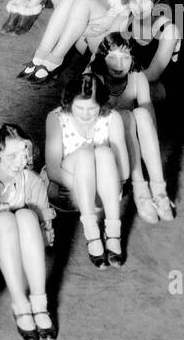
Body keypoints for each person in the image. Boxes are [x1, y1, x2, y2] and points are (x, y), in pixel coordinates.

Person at [0, 124, 57, 340]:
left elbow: (46, 234)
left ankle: (38, 300)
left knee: (26, 216)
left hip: (26, 252)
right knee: (5, 219)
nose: (20, 162)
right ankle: (20, 302)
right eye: (12, 156)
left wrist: (42, 232)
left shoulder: (31, 181)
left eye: (24, 154)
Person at [44, 72, 130, 267]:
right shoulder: (56, 118)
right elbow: (53, 170)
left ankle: (114, 232)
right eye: (79, 108)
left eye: (92, 108)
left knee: (105, 153)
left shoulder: (112, 117)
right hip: (67, 192)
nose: (85, 114)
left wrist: (95, 186)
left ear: (101, 104)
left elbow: (123, 172)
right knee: (85, 154)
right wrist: (85, 186)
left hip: (104, 195)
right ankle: (92, 233)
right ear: (68, 103)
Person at [88, 35, 177, 223]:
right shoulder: (93, 78)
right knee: (126, 117)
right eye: (112, 57)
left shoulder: (138, 78)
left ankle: (159, 191)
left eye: (126, 58)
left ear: (132, 60)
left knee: (142, 115)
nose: (119, 64)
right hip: (103, 146)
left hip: (132, 143)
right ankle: (140, 190)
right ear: (102, 57)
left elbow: (149, 121)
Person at [120, 0, 180, 100]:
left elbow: (153, 74)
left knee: (121, 95)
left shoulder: (168, 29)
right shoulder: (127, 18)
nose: (138, 7)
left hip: (160, 86)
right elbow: (103, 52)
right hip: (132, 77)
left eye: (144, 1)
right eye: (133, 1)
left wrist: (119, 82)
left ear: (156, 2)